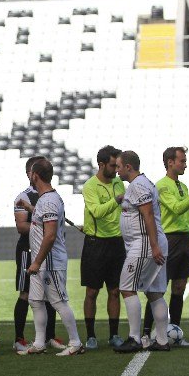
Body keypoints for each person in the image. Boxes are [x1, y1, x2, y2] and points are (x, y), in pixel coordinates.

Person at [19, 159, 84, 356]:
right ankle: (39, 343)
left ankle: (76, 342)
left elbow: (50, 235)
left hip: (50, 262)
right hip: (42, 262)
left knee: (58, 301)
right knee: (36, 300)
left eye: (31, 173)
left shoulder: (47, 201)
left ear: (35, 176)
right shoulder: (46, 199)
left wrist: (37, 262)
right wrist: (30, 208)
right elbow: (43, 221)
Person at [147, 147, 189, 347]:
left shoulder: (182, 185)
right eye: (182, 161)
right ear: (170, 162)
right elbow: (176, 209)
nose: (185, 164)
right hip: (169, 239)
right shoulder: (162, 186)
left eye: (184, 161)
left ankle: (174, 332)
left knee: (179, 288)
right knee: (159, 289)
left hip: (183, 240)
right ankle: (147, 333)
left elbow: (186, 219)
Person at [113, 150, 172, 353]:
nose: (116, 170)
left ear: (128, 167)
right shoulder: (141, 184)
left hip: (144, 243)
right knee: (154, 292)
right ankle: (162, 340)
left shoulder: (138, 185)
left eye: (119, 166)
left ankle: (134, 338)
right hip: (148, 243)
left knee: (127, 287)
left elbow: (147, 215)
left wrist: (154, 246)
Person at [80, 146, 126, 349]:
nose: (116, 170)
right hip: (95, 244)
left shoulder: (119, 183)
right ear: (101, 164)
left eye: (118, 166)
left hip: (117, 243)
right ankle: (91, 336)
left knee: (115, 291)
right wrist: (116, 201)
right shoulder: (90, 186)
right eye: (113, 165)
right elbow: (97, 212)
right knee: (92, 292)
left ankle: (114, 335)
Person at [14, 155, 61, 352]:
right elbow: (21, 226)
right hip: (28, 249)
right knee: (26, 293)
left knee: (49, 295)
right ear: (30, 174)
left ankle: (49, 336)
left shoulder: (49, 195)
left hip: (46, 249)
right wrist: (45, 228)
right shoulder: (24, 197)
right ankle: (19, 338)